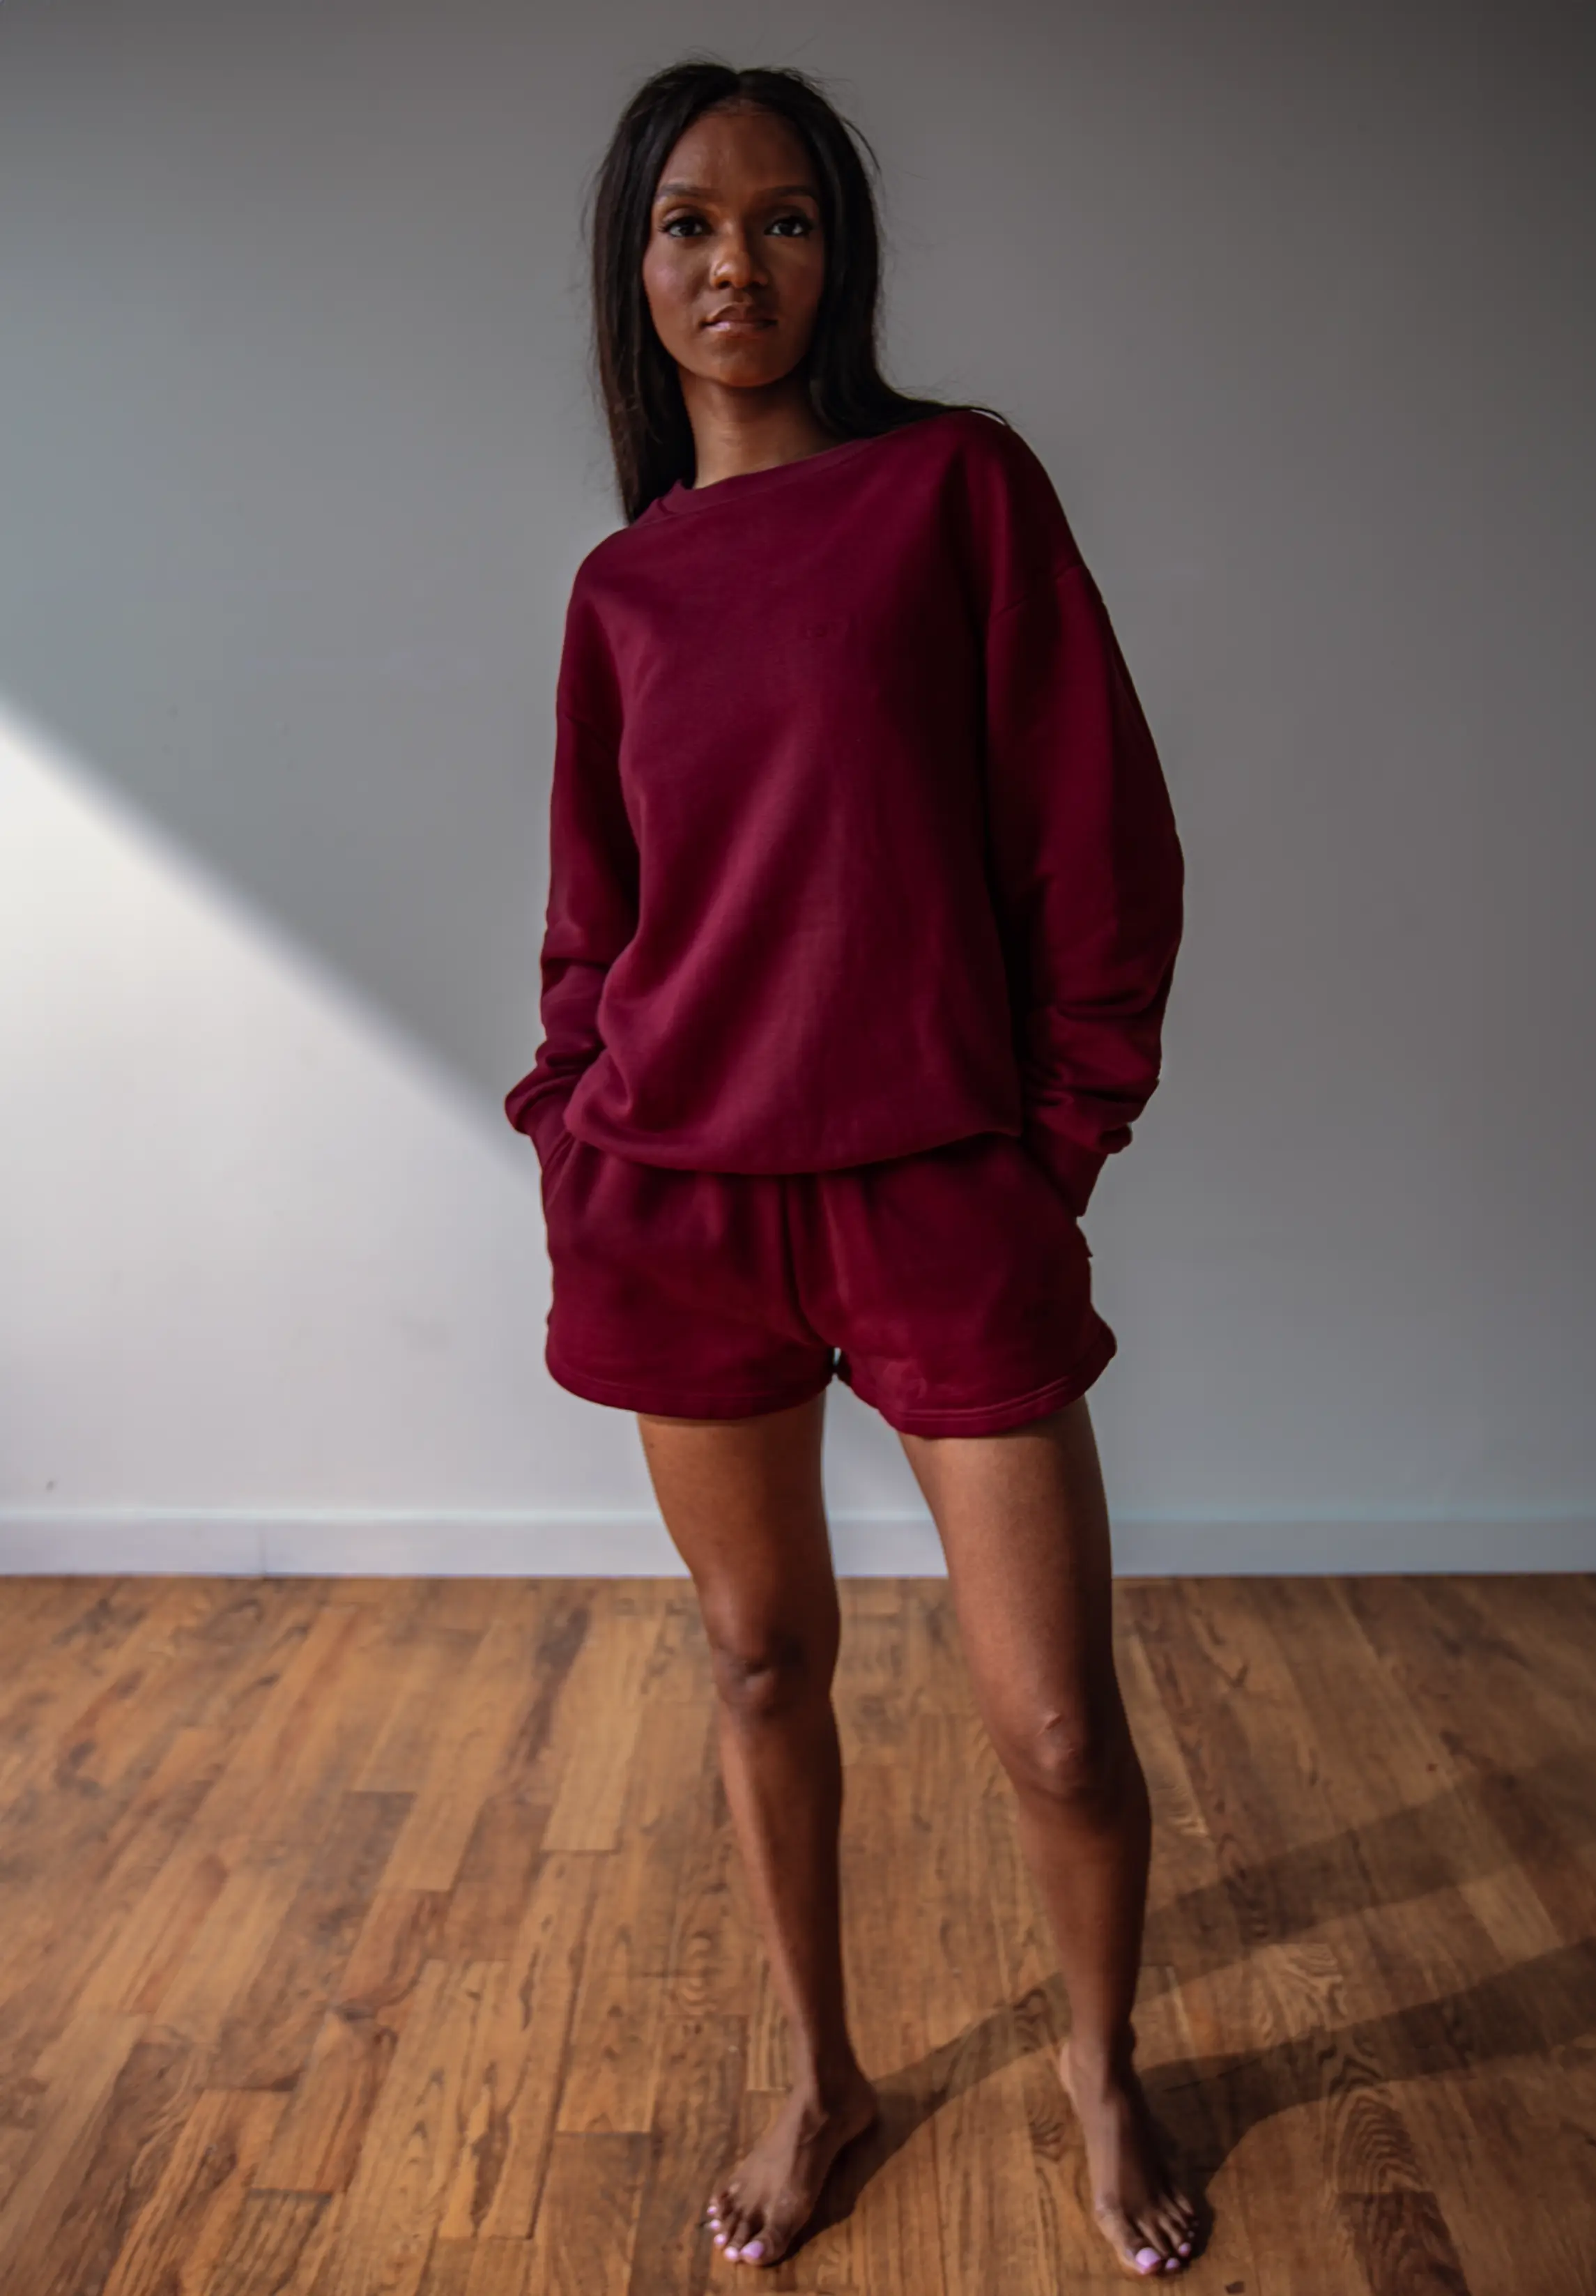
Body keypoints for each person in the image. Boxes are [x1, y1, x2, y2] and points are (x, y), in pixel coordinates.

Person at [504, 56, 1193, 2283]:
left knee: (1058, 1725)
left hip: (933, 1191)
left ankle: (1099, 2066)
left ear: (839, 256)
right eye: (691, 223)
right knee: (758, 1664)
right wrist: (571, 1125)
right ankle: (821, 2074)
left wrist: (1055, 1138)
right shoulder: (624, 588)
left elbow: (1093, 832)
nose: (737, 261)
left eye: (783, 218)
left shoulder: (954, 494)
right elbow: (593, 921)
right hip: (680, 1202)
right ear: (635, 269)